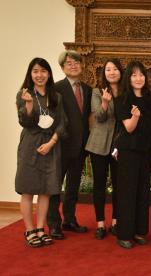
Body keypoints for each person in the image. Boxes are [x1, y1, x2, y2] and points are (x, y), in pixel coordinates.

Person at [15, 58, 66, 247]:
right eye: (35, 71)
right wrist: (28, 105)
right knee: (28, 189)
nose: (39, 75)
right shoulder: (24, 94)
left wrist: (52, 142)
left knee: (46, 190)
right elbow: (25, 122)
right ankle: (29, 230)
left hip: (51, 145)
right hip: (30, 144)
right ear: (30, 74)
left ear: (49, 74)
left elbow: (62, 123)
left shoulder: (56, 96)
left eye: (43, 71)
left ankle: (40, 228)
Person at [47, 50, 92, 239]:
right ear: (62, 68)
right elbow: (51, 119)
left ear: (82, 65)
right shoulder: (56, 89)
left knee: (73, 185)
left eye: (76, 62)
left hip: (81, 147)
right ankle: (54, 224)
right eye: (69, 63)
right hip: (61, 146)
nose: (73, 65)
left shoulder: (88, 90)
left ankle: (69, 220)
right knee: (55, 186)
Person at [114, 61, 151, 249]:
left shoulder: (149, 98)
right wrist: (136, 116)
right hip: (128, 151)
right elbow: (129, 128)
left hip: (145, 151)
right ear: (128, 78)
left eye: (141, 75)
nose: (138, 78)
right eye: (134, 75)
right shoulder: (122, 99)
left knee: (142, 191)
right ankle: (124, 234)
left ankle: (140, 231)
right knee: (128, 192)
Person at [85, 59, 123, 239]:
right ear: (104, 73)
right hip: (98, 144)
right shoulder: (97, 91)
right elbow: (98, 117)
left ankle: (116, 222)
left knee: (118, 184)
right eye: (108, 69)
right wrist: (105, 103)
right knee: (99, 185)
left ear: (120, 72)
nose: (112, 72)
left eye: (115, 69)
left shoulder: (126, 92)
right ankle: (100, 224)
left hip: (118, 146)